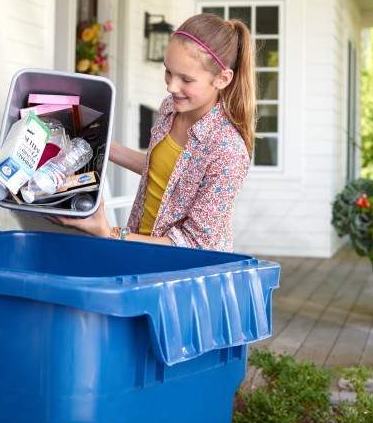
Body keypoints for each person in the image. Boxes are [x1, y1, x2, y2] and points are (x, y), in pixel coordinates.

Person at [51, 13, 256, 252]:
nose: (171, 86)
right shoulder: (171, 109)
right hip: (138, 248)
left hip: (181, 273)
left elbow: (193, 244)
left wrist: (108, 233)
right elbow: (159, 169)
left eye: (186, 79)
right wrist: (97, 143)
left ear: (222, 79)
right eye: (168, 71)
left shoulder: (228, 151)